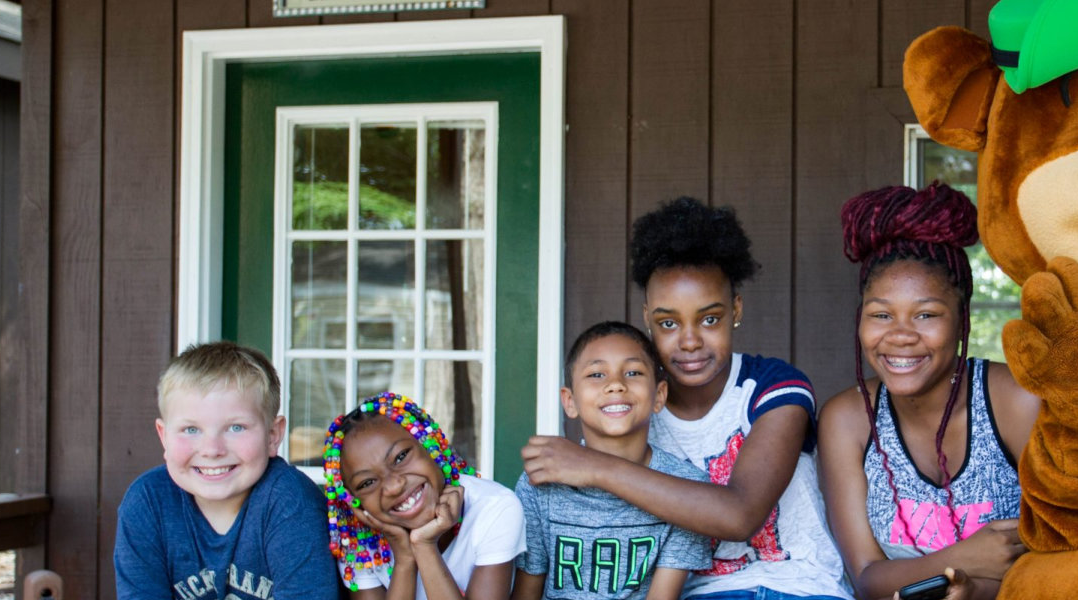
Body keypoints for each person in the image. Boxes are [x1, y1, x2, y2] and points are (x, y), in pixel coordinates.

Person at [521, 197, 852, 599]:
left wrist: (595, 465)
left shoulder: (772, 387)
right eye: (668, 323)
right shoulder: (634, 407)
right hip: (701, 592)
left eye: (710, 319)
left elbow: (740, 515)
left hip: (799, 585)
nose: (690, 340)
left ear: (736, 310)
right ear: (647, 319)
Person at [818, 185, 1040, 600]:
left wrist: (976, 592)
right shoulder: (847, 420)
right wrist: (963, 560)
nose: (900, 336)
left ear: (961, 317)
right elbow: (867, 578)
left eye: (926, 315)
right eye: (881, 315)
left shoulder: (1015, 400)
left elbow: (1065, 552)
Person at [115, 341, 339, 600]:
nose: (212, 450)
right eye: (191, 429)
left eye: (236, 428)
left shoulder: (291, 501)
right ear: (164, 437)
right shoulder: (147, 503)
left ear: (272, 435)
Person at [511, 321, 714, 600]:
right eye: (596, 374)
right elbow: (526, 593)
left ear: (659, 395)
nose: (616, 384)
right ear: (569, 401)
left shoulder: (687, 489)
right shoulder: (542, 481)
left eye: (633, 372)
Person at [324, 393, 524, 599]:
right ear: (353, 500)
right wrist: (404, 559)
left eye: (401, 457)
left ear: (430, 446)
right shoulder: (358, 540)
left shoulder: (493, 507)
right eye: (367, 483)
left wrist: (424, 545)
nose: (394, 486)